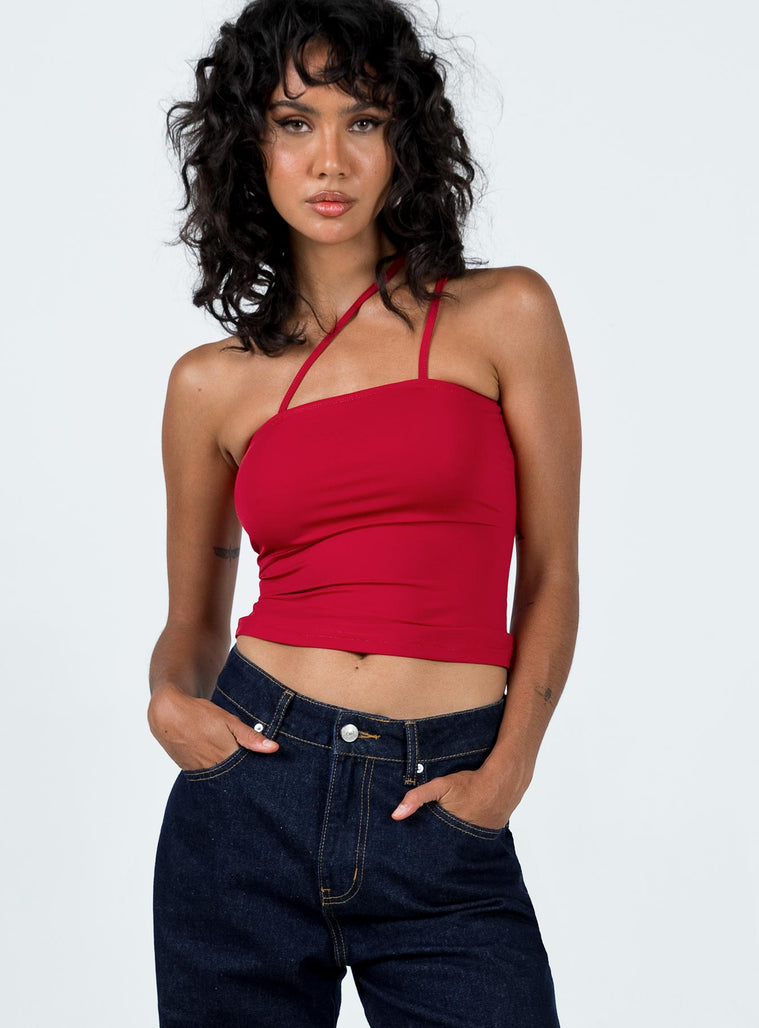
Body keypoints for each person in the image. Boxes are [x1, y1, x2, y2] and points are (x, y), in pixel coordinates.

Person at [148, 0, 580, 1025]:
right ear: (249, 146)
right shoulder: (211, 384)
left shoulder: (503, 316)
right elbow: (193, 624)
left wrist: (505, 774)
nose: (330, 159)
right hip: (248, 801)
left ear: (405, 142)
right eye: (294, 123)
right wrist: (167, 699)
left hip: (442, 803)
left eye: (365, 120)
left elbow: (552, 572)